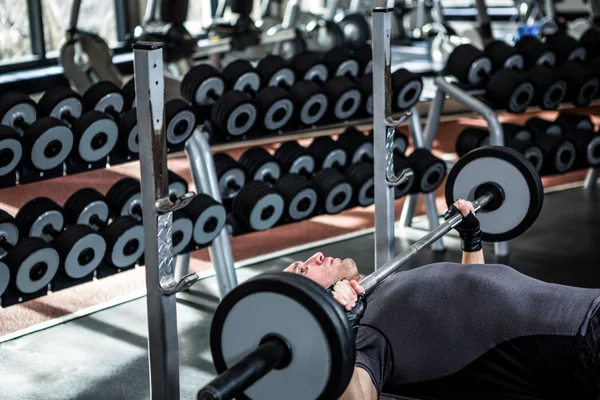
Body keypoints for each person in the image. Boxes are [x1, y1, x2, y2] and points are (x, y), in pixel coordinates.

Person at [283, 200, 600, 400]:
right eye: (303, 268)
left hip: (586, 313)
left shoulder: (380, 292)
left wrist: (471, 242)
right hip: (580, 347)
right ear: (308, 302)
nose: (316, 255)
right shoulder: (365, 333)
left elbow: (468, 309)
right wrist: (345, 334)